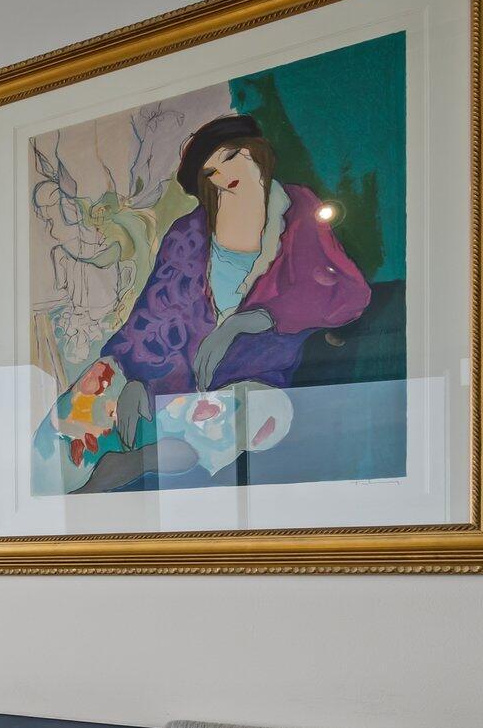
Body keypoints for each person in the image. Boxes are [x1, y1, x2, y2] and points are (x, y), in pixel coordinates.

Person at [52, 112, 370, 491]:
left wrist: (254, 319)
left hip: (255, 370)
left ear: (256, 152)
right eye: (211, 171)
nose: (224, 174)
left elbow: (345, 292)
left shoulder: (298, 210)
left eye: (232, 155)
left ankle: (134, 464)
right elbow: (156, 305)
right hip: (174, 365)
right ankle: (51, 494)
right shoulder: (189, 231)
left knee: (248, 416)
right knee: (96, 389)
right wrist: (136, 375)